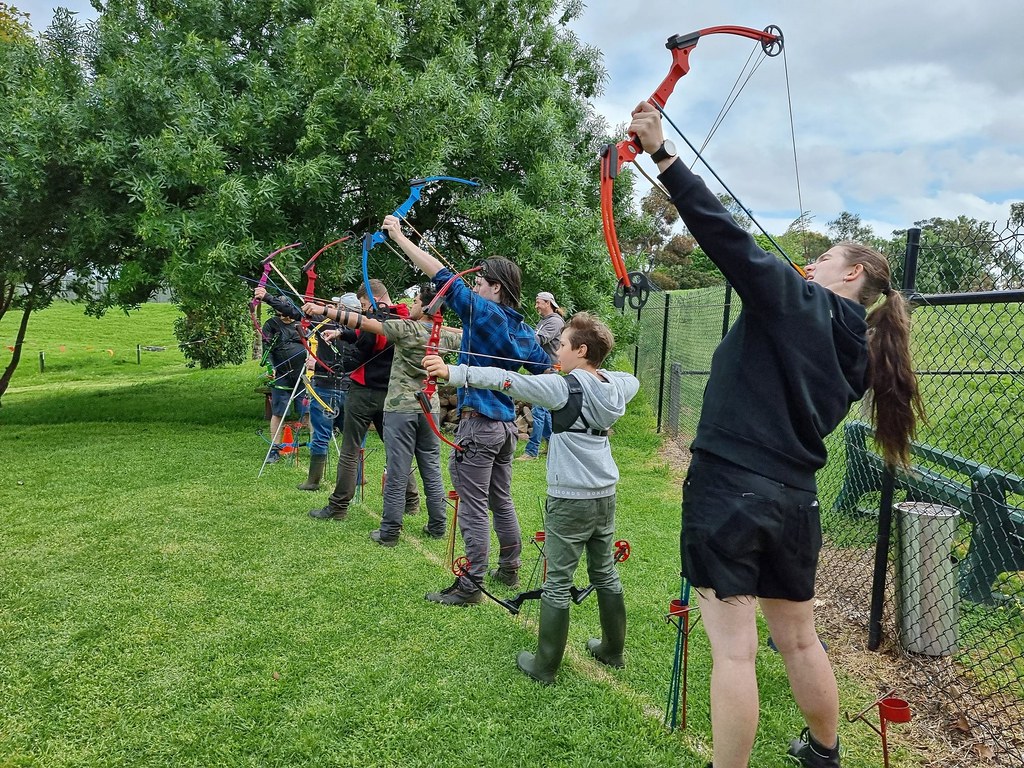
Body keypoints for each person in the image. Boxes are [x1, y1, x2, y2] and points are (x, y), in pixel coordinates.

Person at [628, 101, 924, 768]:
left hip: (730, 491)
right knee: (798, 640)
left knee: (733, 651)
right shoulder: (861, 350)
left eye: (823, 259)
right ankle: (824, 750)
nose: (810, 266)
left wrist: (663, 155)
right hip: (794, 502)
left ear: (852, 277)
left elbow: (727, 239)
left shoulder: (803, 304)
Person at [425, 311, 638, 682]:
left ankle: (545, 665)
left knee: (557, 580)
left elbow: (506, 381)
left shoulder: (562, 388)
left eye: (563, 343)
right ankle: (612, 651)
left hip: (571, 497)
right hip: (605, 494)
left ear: (581, 349)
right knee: (604, 571)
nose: (557, 348)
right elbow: (629, 379)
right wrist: (594, 376)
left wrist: (453, 372)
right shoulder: (615, 386)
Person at [381, 214, 551, 605]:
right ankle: (509, 568)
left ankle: (471, 584)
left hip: (481, 426)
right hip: (506, 428)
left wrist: (401, 237)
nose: (473, 288)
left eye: (479, 283)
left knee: (474, 505)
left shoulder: (486, 312)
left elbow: (442, 275)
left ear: (495, 288)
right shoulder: (524, 329)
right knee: (501, 500)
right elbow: (548, 370)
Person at [304, 282, 462, 546]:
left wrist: (325, 311)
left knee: (398, 469)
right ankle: (437, 525)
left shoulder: (404, 328)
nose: (411, 305)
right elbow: (464, 333)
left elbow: (365, 324)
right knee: (431, 468)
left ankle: (389, 531)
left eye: (415, 302)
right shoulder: (444, 335)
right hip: (429, 408)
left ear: (426, 306)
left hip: (401, 409)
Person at [307, 280, 420, 521]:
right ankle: (411, 501)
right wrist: (342, 332)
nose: (363, 308)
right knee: (396, 451)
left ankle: (338, 507)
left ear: (372, 298)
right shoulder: (406, 317)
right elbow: (366, 331)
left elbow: (361, 352)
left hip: (364, 391)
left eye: (363, 303)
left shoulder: (375, 320)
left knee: (350, 450)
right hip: (391, 392)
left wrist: (321, 365)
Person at [253, 288, 308, 464]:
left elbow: (314, 345)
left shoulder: (303, 323)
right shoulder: (271, 325)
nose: (285, 317)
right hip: (282, 375)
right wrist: (271, 367)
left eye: (288, 314)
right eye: (281, 314)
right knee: (278, 412)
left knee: (308, 413)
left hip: (303, 375)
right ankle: (275, 449)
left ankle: (317, 446)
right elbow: (267, 349)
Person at [518, 291, 566, 461]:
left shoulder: (554, 321)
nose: (536, 305)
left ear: (548, 303)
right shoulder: (545, 320)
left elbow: (539, 340)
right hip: (542, 368)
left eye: (539, 302)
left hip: (549, 369)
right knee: (543, 411)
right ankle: (554, 447)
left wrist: (521, 330)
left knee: (538, 410)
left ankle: (532, 452)